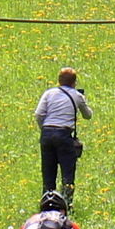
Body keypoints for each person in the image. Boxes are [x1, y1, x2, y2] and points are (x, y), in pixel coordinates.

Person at [34, 67, 93, 207]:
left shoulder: (49, 93)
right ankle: (65, 205)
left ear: (59, 81)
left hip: (47, 133)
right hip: (64, 135)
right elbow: (88, 115)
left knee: (48, 171)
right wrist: (83, 100)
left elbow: (39, 114)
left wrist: (45, 128)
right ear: (74, 82)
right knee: (67, 172)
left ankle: (47, 203)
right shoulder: (77, 96)